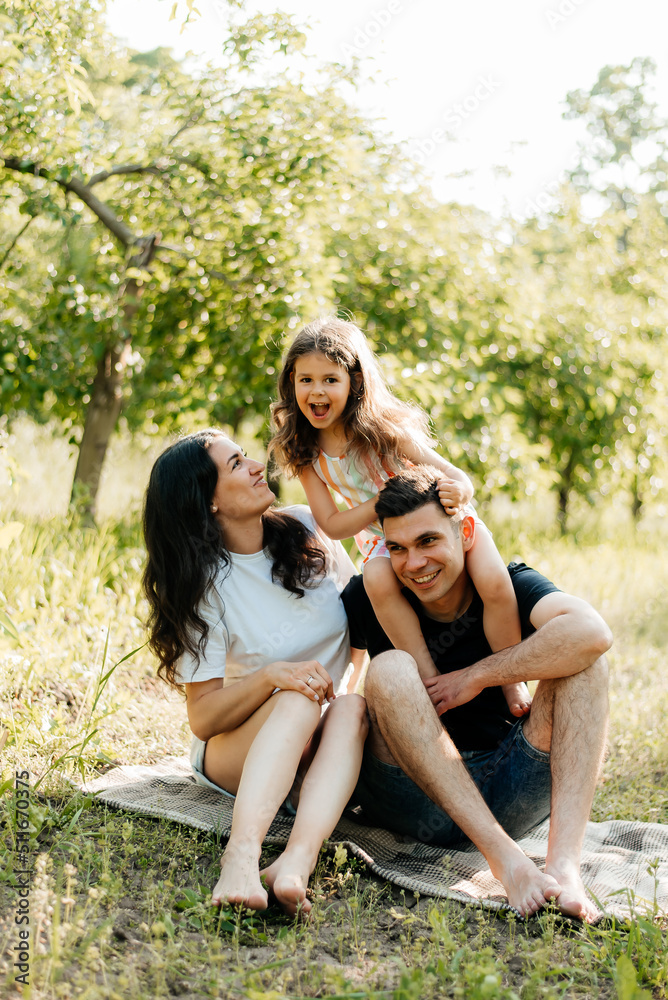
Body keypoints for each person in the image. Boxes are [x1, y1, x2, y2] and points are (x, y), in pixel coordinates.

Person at [341, 465, 612, 921]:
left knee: (586, 662)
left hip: (506, 787)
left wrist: (477, 676)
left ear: (466, 532)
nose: (414, 564)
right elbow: (325, 669)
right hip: (409, 794)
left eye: (428, 541)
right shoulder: (370, 594)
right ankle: (505, 860)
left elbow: (592, 632)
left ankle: (563, 868)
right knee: (388, 669)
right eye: (398, 549)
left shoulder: (509, 585)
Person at [142, 428, 368, 916]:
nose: (255, 467)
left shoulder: (310, 529)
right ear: (209, 503)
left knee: (352, 708)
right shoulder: (206, 587)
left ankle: (294, 865)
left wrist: (343, 688)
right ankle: (240, 860)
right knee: (296, 697)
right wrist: (271, 677)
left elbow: (360, 627)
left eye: (246, 457)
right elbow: (202, 719)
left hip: (318, 735)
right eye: (236, 465)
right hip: (239, 748)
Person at [270, 316, 530, 718]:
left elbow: (455, 474)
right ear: (291, 382)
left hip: (436, 519)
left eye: (329, 379)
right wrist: (382, 504)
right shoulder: (306, 449)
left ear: (354, 382)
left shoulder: (384, 428)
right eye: (305, 380)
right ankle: (429, 681)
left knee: (494, 580)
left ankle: (512, 679)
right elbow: (333, 525)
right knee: (374, 578)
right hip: (378, 534)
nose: (316, 390)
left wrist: (460, 491)